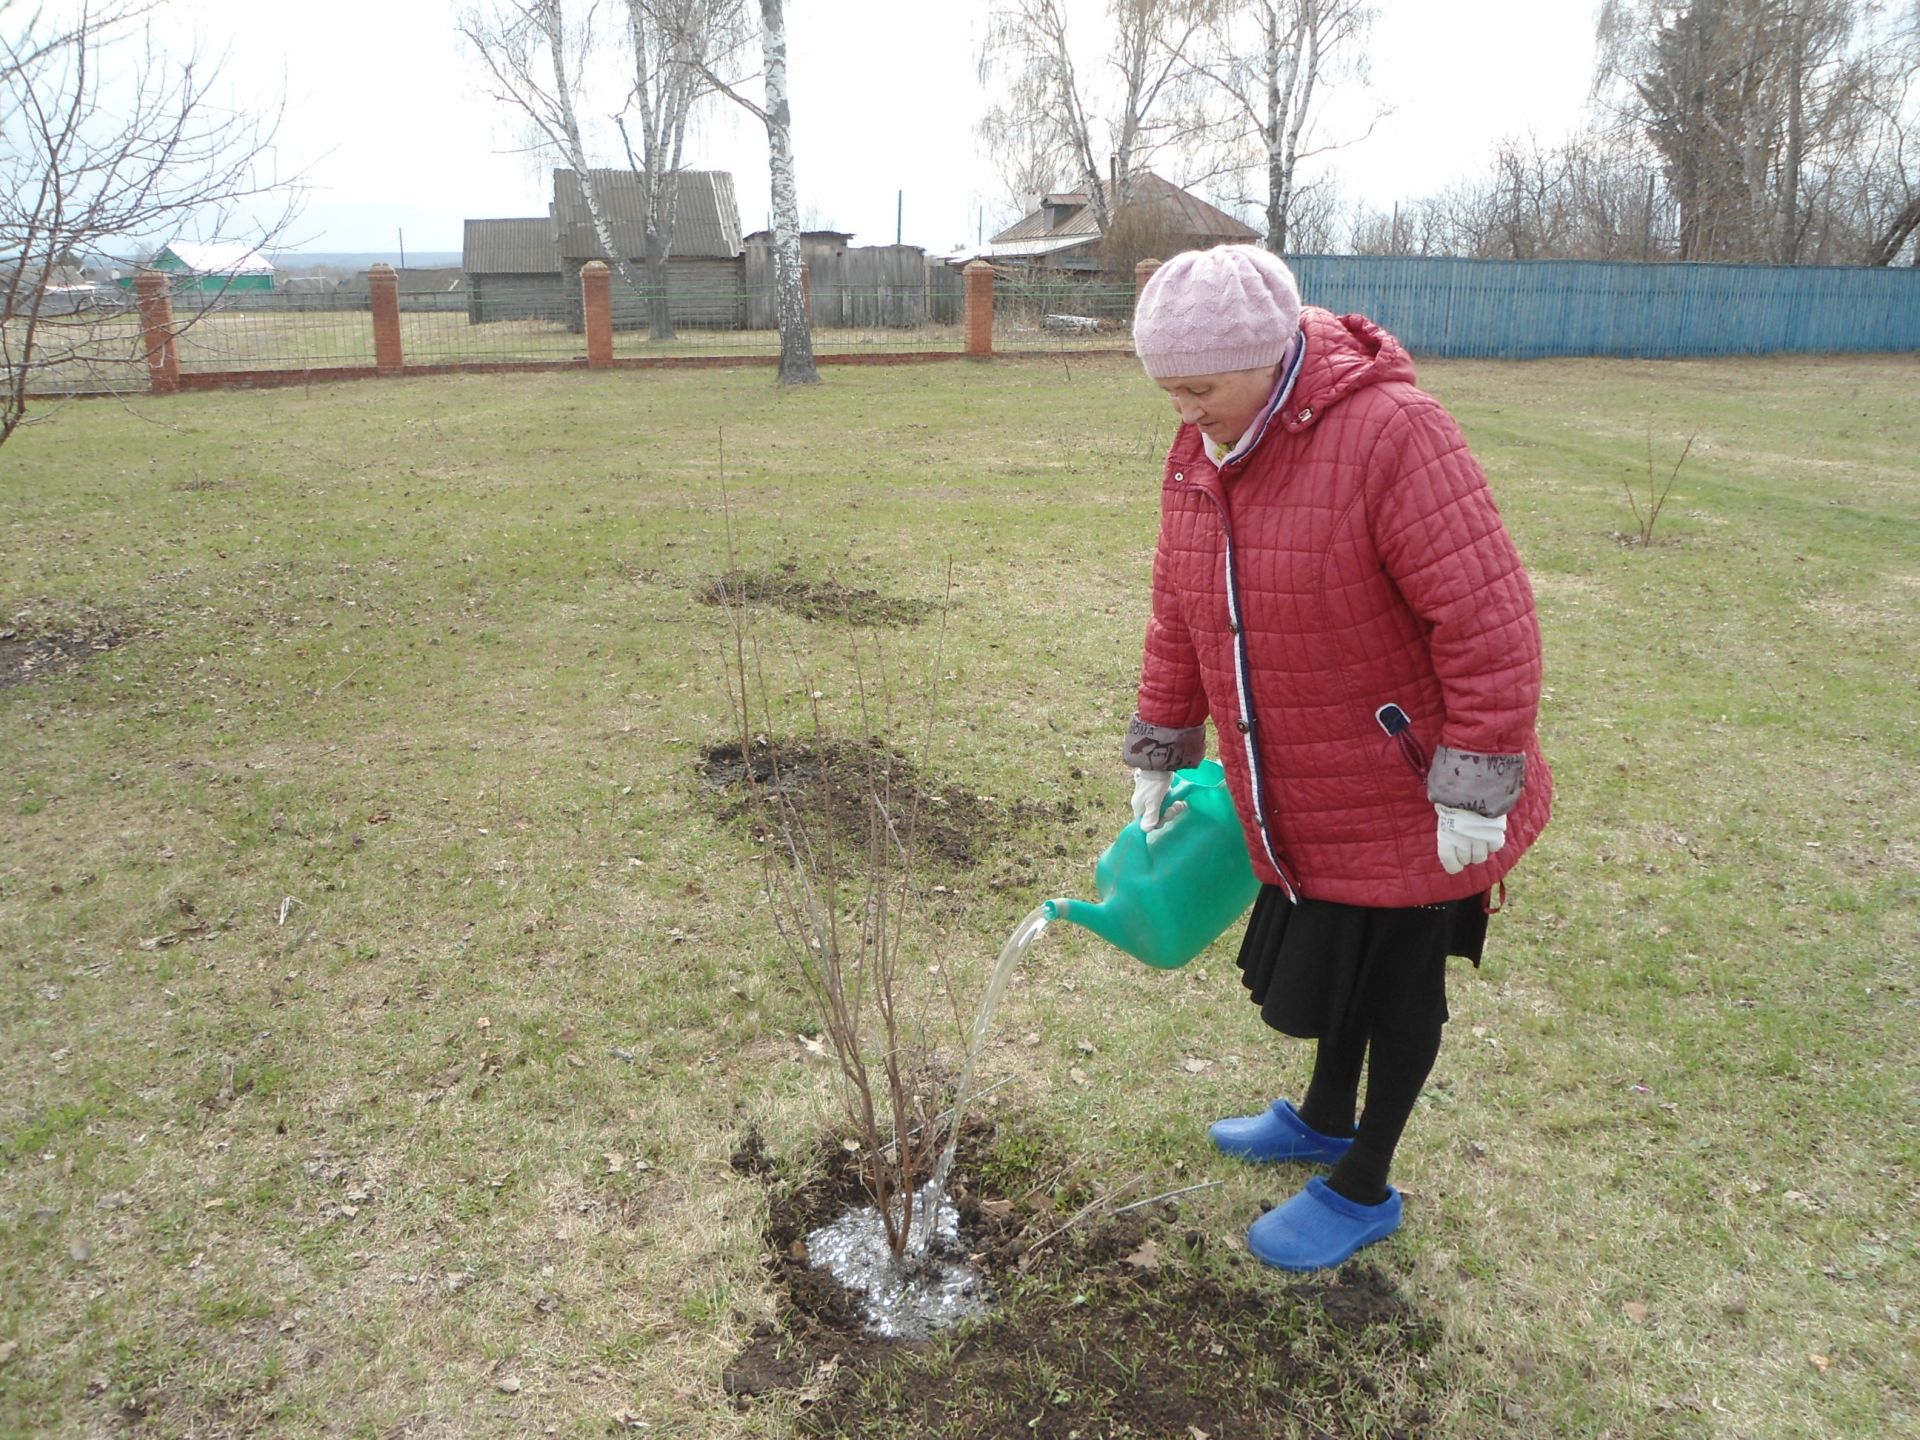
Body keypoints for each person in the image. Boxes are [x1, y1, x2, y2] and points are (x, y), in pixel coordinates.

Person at [1122, 244, 1551, 1271]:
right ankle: (1323, 1116)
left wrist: (1476, 783)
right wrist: (1162, 750)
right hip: (1300, 785)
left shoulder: (1393, 434)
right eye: (1167, 390)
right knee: (1340, 961)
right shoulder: (1203, 454)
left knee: (1399, 986)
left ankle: (1364, 1184)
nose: (1186, 410)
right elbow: (1179, 615)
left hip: (1414, 790)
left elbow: (1488, 620)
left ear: (1268, 357)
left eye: (1201, 387)